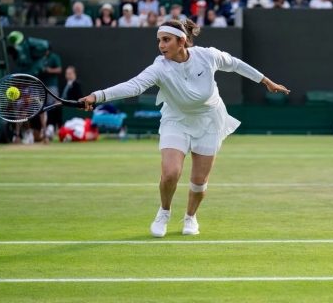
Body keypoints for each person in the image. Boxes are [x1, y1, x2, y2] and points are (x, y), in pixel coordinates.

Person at [78, 19, 290, 237]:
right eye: (159, 40)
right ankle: (164, 212)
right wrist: (97, 96)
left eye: (166, 40)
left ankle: (190, 217)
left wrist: (266, 81)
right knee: (170, 174)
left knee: (199, 182)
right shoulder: (160, 67)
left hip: (210, 120)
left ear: (181, 41)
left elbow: (235, 64)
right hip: (176, 120)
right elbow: (133, 86)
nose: (161, 45)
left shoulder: (207, 56)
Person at [7, 30, 51, 144]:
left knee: (40, 108)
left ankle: (45, 134)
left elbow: (45, 44)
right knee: (20, 109)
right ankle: (20, 134)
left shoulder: (31, 47)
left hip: (34, 82)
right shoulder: (18, 57)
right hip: (22, 82)